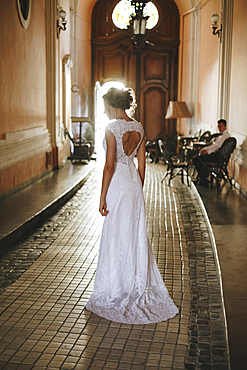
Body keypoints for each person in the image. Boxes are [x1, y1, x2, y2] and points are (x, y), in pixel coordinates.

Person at [86, 87, 179, 324]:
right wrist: (138, 187)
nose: (105, 110)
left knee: (116, 233)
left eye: (106, 106)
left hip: (117, 184)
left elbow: (109, 166)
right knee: (135, 233)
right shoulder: (138, 128)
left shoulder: (111, 129)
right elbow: (142, 164)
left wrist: (102, 196)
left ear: (111, 105)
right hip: (134, 184)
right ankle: (133, 283)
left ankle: (117, 287)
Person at [192, 119, 231, 187]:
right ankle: (203, 178)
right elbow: (214, 145)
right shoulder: (221, 136)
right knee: (197, 157)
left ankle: (203, 179)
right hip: (216, 155)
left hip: (218, 158)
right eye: (218, 126)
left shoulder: (225, 136)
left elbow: (218, 146)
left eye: (221, 126)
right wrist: (205, 149)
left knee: (196, 159)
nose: (219, 128)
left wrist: (207, 152)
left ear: (225, 126)